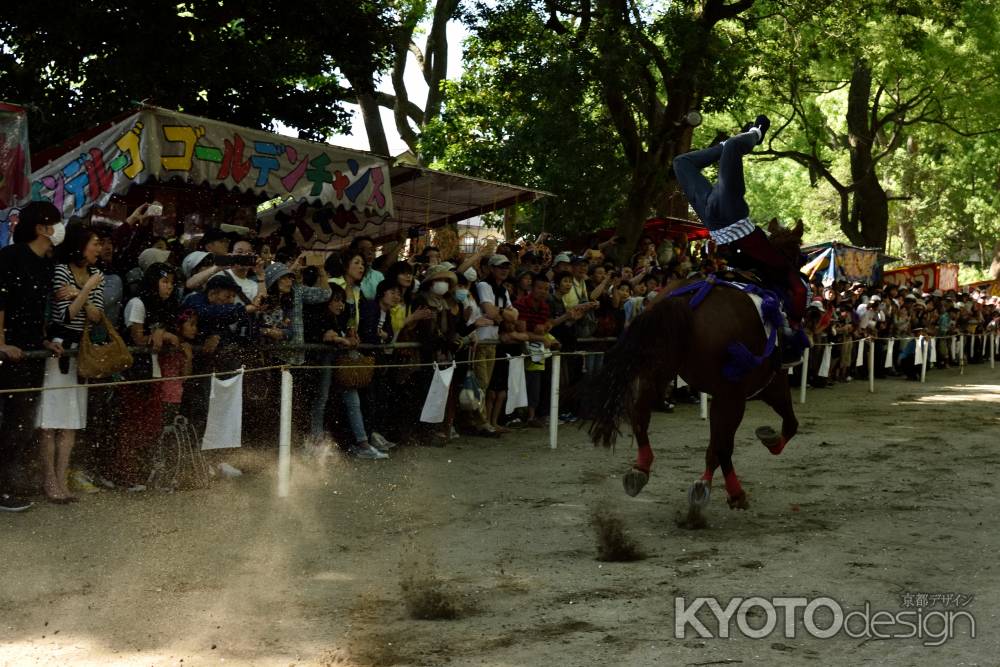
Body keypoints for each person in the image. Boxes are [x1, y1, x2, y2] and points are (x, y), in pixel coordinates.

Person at [672, 114, 807, 325]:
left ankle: (750, 135)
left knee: (681, 162)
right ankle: (752, 135)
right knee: (713, 152)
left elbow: (799, 291)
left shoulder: (781, 264)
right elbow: (799, 292)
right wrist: (796, 321)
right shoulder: (775, 258)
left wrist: (795, 321)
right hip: (730, 214)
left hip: (713, 220)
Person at [0, 201, 63, 512]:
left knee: (23, 422)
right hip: (7, 353)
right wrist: (1, 342)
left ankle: (10, 483)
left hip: (31, 352)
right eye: (56, 222)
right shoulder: (10, 256)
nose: (59, 228)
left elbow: (38, 309)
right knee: (9, 421)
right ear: (41, 227)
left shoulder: (46, 263)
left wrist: (44, 340)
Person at [37, 223, 106, 503]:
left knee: (70, 422)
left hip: (82, 351)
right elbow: (64, 316)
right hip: (59, 349)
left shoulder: (94, 275)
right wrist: (87, 289)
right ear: (81, 245)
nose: (99, 249)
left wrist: (78, 293)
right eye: (95, 243)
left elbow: (96, 316)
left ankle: (62, 478)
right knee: (50, 420)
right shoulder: (61, 270)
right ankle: (49, 480)